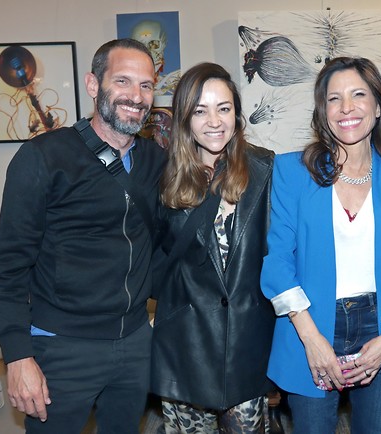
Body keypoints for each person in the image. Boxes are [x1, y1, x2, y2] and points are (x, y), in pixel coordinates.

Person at [0, 38, 166, 434]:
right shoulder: (44, 157)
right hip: (62, 345)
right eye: (122, 81)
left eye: (146, 85)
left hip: (134, 340)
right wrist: (18, 356)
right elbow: (8, 267)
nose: (136, 96)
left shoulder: (156, 160)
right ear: (92, 84)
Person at [261, 57, 381, 434]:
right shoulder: (293, 171)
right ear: (323, 111)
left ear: (379, 106)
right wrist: (312, 339)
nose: (346, 108)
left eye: (358, 95)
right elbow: (277, 262)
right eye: (334, 99)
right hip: (312, 324)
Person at [150, 62, 277, 433]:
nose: (214, 121)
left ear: (237, 114)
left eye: (224, 108)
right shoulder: (163, 176)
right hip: (184, 345)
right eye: (200, 111)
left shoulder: (265, 169)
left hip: (244, 343)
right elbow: (151, 254)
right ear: (184, 118)